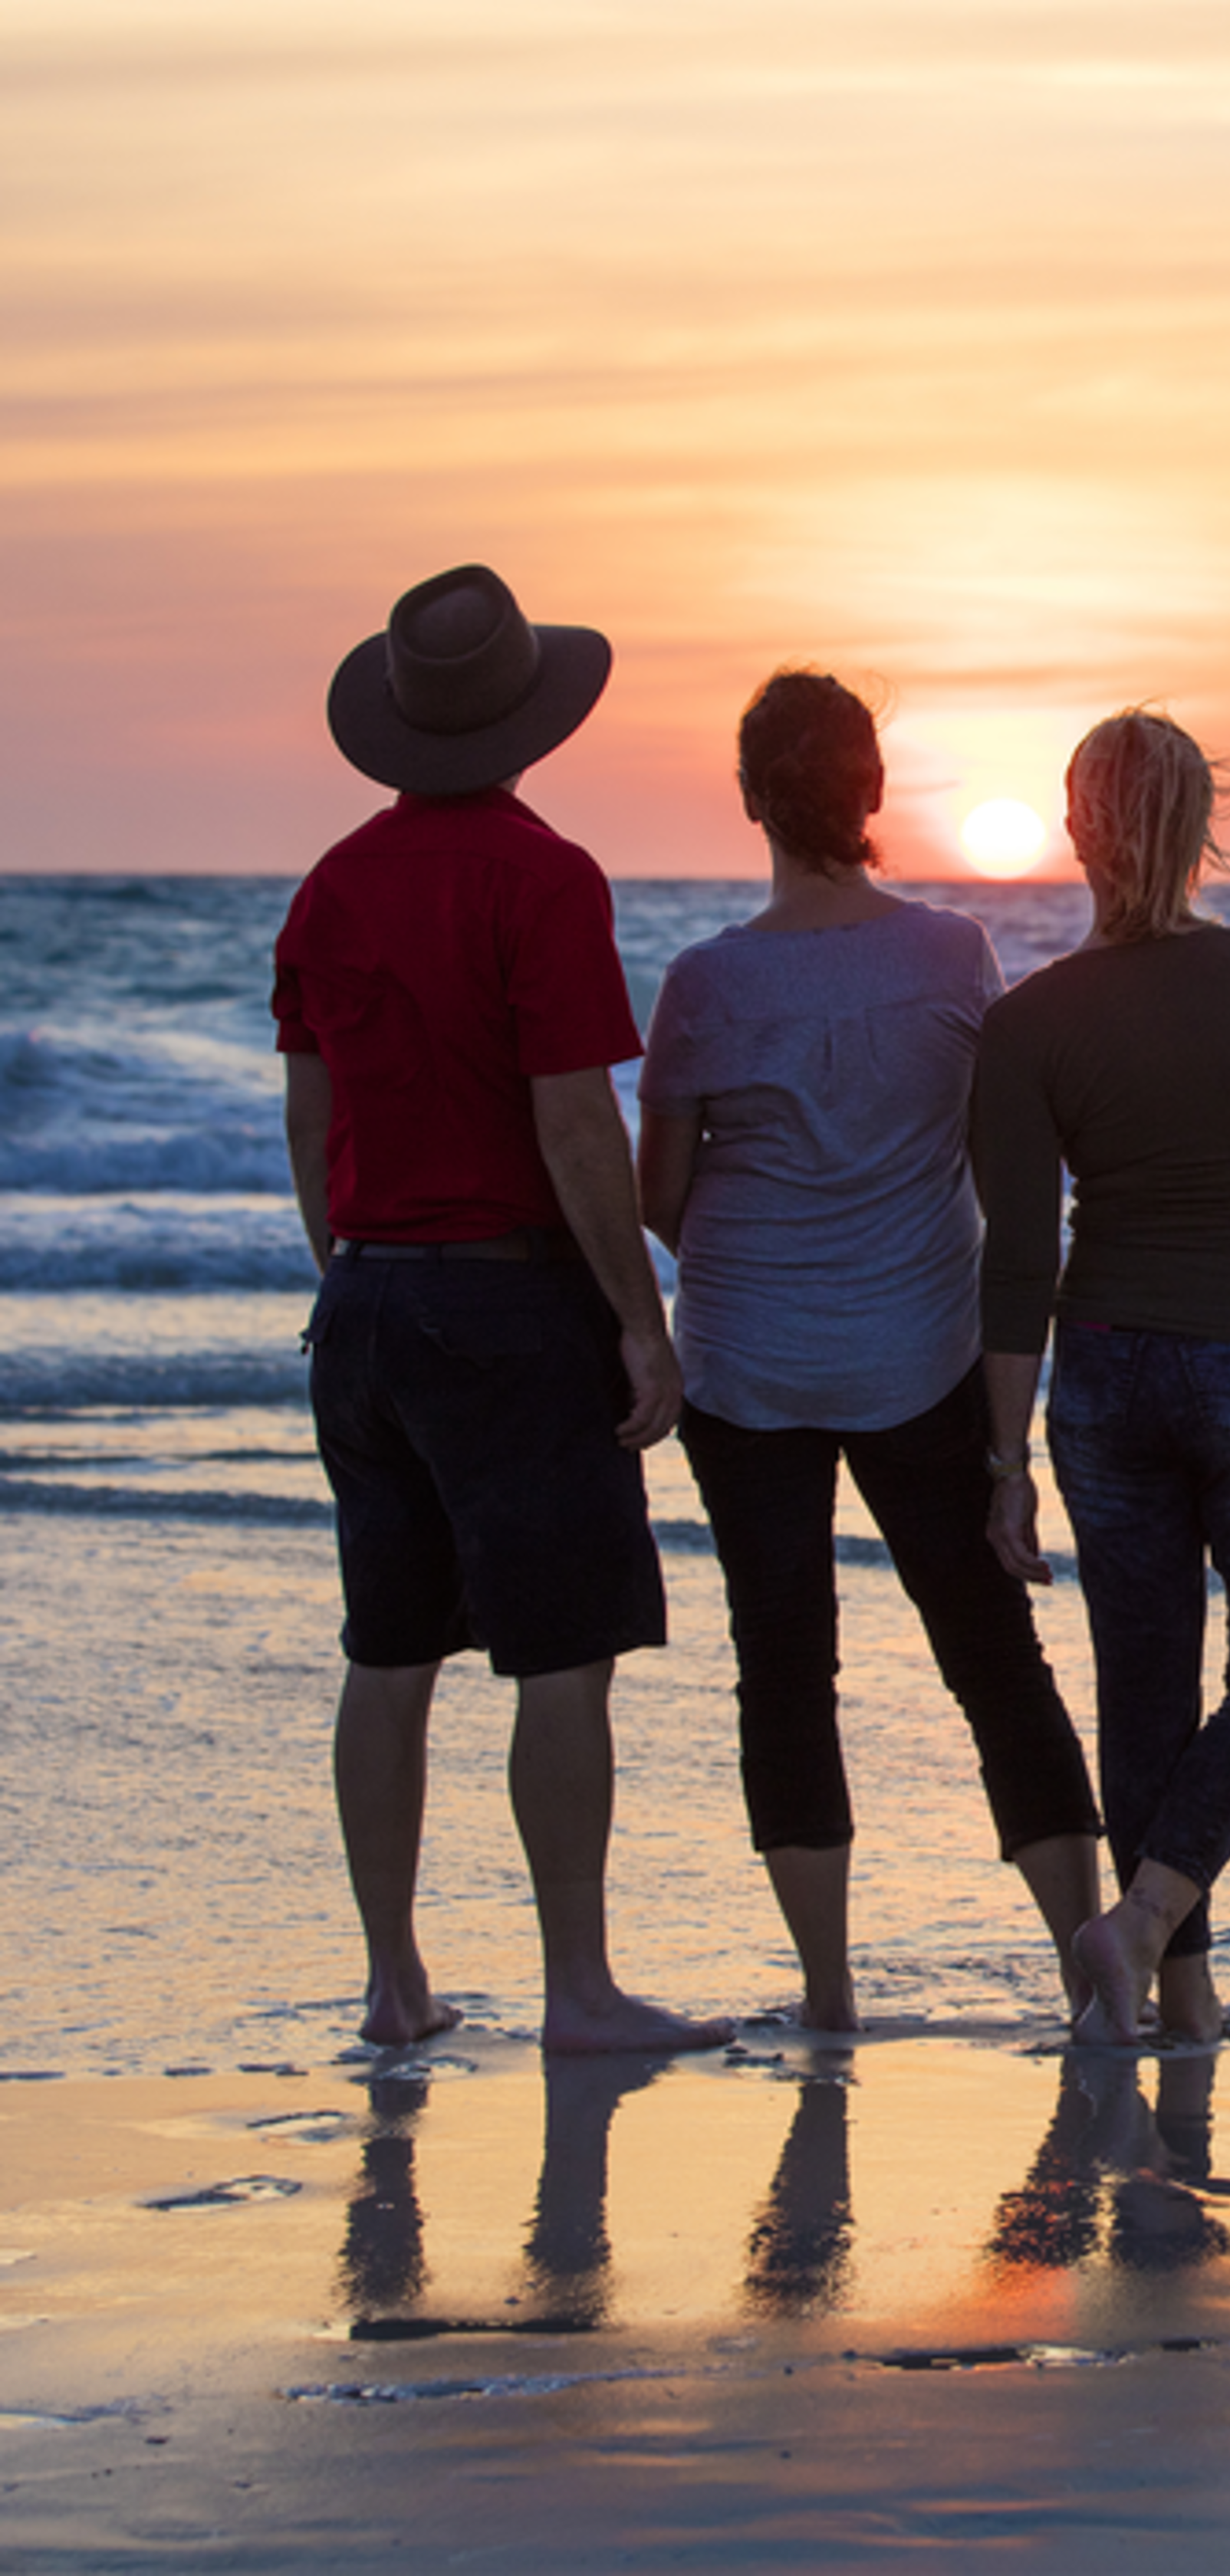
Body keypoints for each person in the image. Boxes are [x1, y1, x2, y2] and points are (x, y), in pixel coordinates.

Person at [275, 561, 727, 2057]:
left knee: (388, 1652)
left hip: (371, 1306)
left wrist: (345, 1274)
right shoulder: (544, 878)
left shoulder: (333, 885)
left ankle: (395, 1984)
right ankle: (578, 1992)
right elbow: (574, 1125)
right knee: (559, 1654)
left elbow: (310, 1112)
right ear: (526, 720)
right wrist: (639, 1317)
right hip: (509, 1308)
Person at [636, 671, 1103, 2032]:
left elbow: (659, 1192)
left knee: (783, 1663)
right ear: (873, 798)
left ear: (747, 800)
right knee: (990, 1653)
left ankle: (830, 1993)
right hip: (921, 1349)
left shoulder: (705, 981)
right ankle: (1091, 1963)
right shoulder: (955, 956)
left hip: (746, 1362)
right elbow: (998, 1157)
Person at [977, 709, 1230, 2046]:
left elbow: (1020, 1264)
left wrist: (1005, 1462)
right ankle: (1148, 1929)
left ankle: (1185, 1996)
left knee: (1142, 1685)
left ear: (1076, 829)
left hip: (1104, 1373)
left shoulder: (1031, 1019)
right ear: (1204, 825)